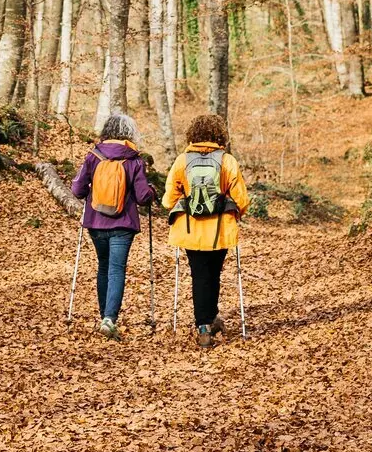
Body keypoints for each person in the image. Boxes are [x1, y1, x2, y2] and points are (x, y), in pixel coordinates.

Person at [164, 113, 250, 348]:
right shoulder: (227, 161)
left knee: (199, 275)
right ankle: (209, 319)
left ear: (193, 134)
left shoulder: (182, 161)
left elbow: (168, 198)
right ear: (219, 135)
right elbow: (241, 199)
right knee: (213, 274)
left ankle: (205, 324)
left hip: (190, 229)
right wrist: (236, 212)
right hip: (220, 229)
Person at [70, 112, 156, 338]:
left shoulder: (94, 156)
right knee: (116, 269)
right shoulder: (134, 160)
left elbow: (77, 190)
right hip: (123, 224)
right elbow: (143, 197)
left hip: (96, 222)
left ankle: (104, 316)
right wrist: (152, 192)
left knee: (103, 266)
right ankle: (109, 319)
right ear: (129, 133)